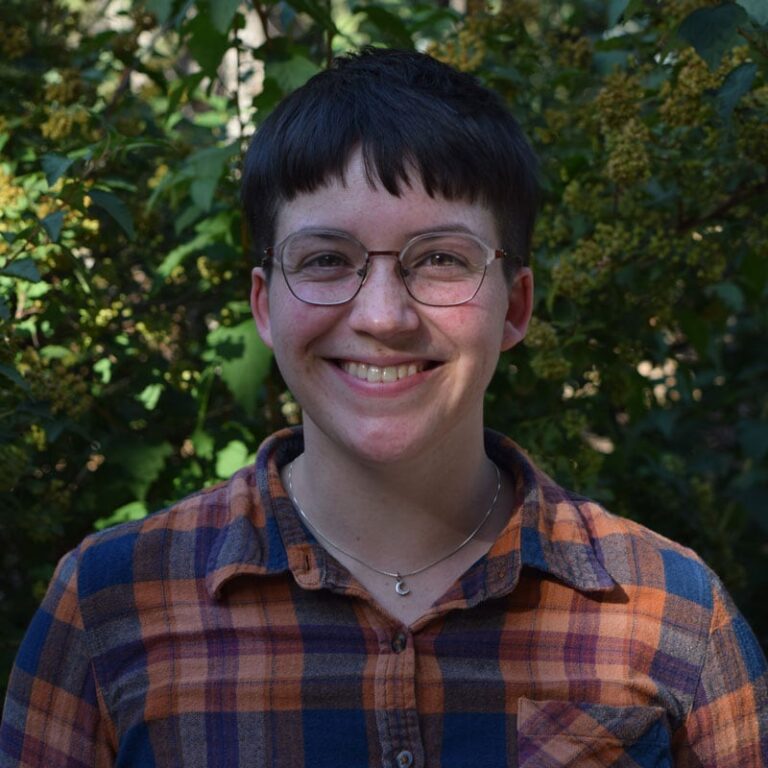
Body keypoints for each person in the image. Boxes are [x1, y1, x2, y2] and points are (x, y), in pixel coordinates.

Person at [1, 47, 766, 768]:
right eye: (327, 259)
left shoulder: (671, 613)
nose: (383, 317)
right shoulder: (109, 605)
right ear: (265, 307)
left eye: (439, 259)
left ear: (516, 307)